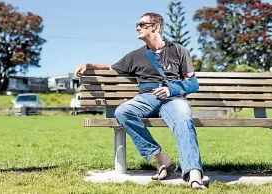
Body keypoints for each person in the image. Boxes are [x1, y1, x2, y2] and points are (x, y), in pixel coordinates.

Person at [74, 12, 207, 189]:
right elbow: (110, 67)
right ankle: (161, 158)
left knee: (183, 118)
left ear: (156, 27)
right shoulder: (135, 56)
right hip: (147, 97)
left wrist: (170, 89)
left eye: (141, 24)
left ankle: (193, 173)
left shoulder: (178, 50)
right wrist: (88, 65)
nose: (137, 27)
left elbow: (192, 83)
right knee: (123, 111)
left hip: (173, 98)